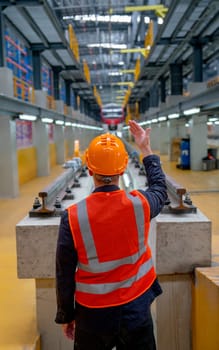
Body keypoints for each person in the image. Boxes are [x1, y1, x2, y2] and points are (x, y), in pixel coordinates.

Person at [55, 119, 167, 350]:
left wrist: (66, 314)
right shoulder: (140, 204)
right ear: (124, 167)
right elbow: (159, 189)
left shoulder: (74, 216)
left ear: (89, 168)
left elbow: (64, 273)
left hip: (92, 315)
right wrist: (145, 149)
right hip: (136, 308)